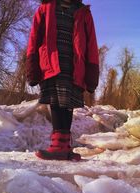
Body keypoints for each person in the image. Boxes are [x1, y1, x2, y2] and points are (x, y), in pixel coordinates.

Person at [26, 0, 99, 161]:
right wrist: (32, 65)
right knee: (56, 102)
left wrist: (92, 72)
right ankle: (60, 146)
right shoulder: (44, 9)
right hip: (51, 64)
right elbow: (34, 38)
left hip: (74, 67)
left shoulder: (83, 13)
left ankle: (63, 146)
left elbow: (91, 44)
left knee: (68, 104)